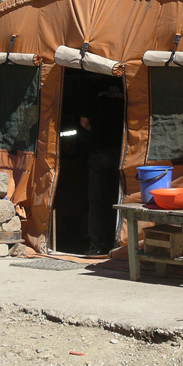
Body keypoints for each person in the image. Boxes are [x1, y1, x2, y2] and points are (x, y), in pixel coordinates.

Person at [79, 77, 125, 257]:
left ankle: (98, 245)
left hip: (99, 150)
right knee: (122, 197)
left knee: (97, 200)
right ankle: (121, 241)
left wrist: (98, 134)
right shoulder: (128, 81)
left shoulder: (92, 85)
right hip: (123, 150)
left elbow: (84, 122)